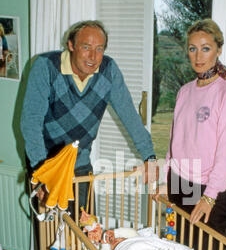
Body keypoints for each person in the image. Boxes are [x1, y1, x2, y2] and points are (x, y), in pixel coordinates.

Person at [21, 20, 157, 208]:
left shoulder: (109, 70)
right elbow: (31, 123)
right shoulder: (46, 67)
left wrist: (149, 156)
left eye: (100, 49)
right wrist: (42, 172)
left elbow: (130, 116)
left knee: (84, 227)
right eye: (86, 47)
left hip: (80, 162)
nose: (93, 56)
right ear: (71, 45)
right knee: (50, 230)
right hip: (46, 161)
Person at [155, 18, 226, 250]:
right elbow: (175, 141)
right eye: (192, 48)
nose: (198, 55)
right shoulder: (185, 91)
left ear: (218, 49)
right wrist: (166, 180)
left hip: (209, 192)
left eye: (205, 48)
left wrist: (209, 196)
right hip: (180, 184)